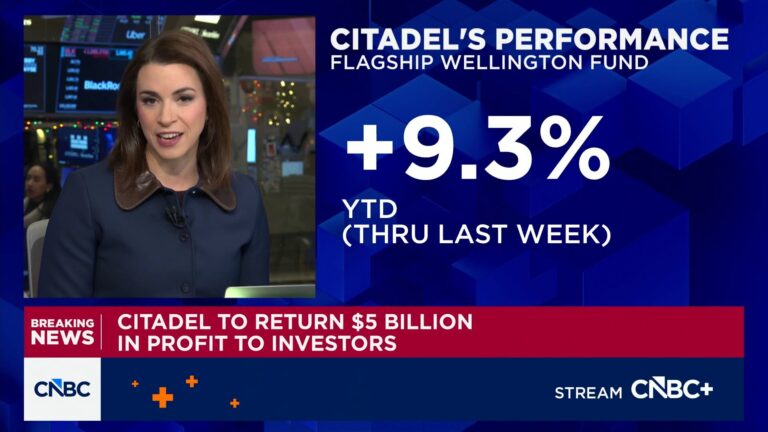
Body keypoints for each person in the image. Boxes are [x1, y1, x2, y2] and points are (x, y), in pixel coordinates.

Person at [39, 30, 269, 297]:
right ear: (136, 110)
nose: (166, 117)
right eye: (150, 100)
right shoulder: (87, 193)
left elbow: (255, 318)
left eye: (184, 98)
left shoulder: (246, 197)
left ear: (209, 107)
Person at [24, 163, 61, 229]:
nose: (29, 183)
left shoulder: (54, 214)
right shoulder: (23, 202)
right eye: (28, 178)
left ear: (49, 186)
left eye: (36, 180)